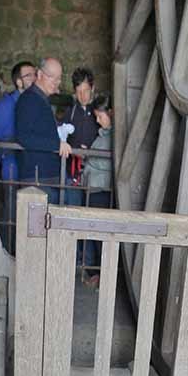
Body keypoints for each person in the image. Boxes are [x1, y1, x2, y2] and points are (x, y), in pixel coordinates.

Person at [15, 57, 78, 205]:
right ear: (39, 74)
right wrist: (57, 144)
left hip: (45, 176)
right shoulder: (29, 100)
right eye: (52, 77)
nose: (56, 82)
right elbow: (24, 137)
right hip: (38, 178)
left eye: (59, 78)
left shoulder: (40, 99)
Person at [0, 60, 36, 250]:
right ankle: (9, 253)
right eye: (29, 75)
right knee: (13, 213)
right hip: (13, 168)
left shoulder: (33, 102)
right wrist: (6, 156)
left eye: (35, 74)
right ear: (18, 82)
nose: (34, 78)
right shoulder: (7, 104)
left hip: (30, 169)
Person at [81, 93, 113, 286]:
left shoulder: (113, 137)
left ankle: (104, 276)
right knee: (95, 234)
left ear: (111, 113)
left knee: (101, 235)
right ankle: (99, 274)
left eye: (100, 116)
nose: (97, 120)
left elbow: (110, 162)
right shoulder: (103, 136)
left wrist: (88, 156)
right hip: (95, 189)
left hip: (102, 189)